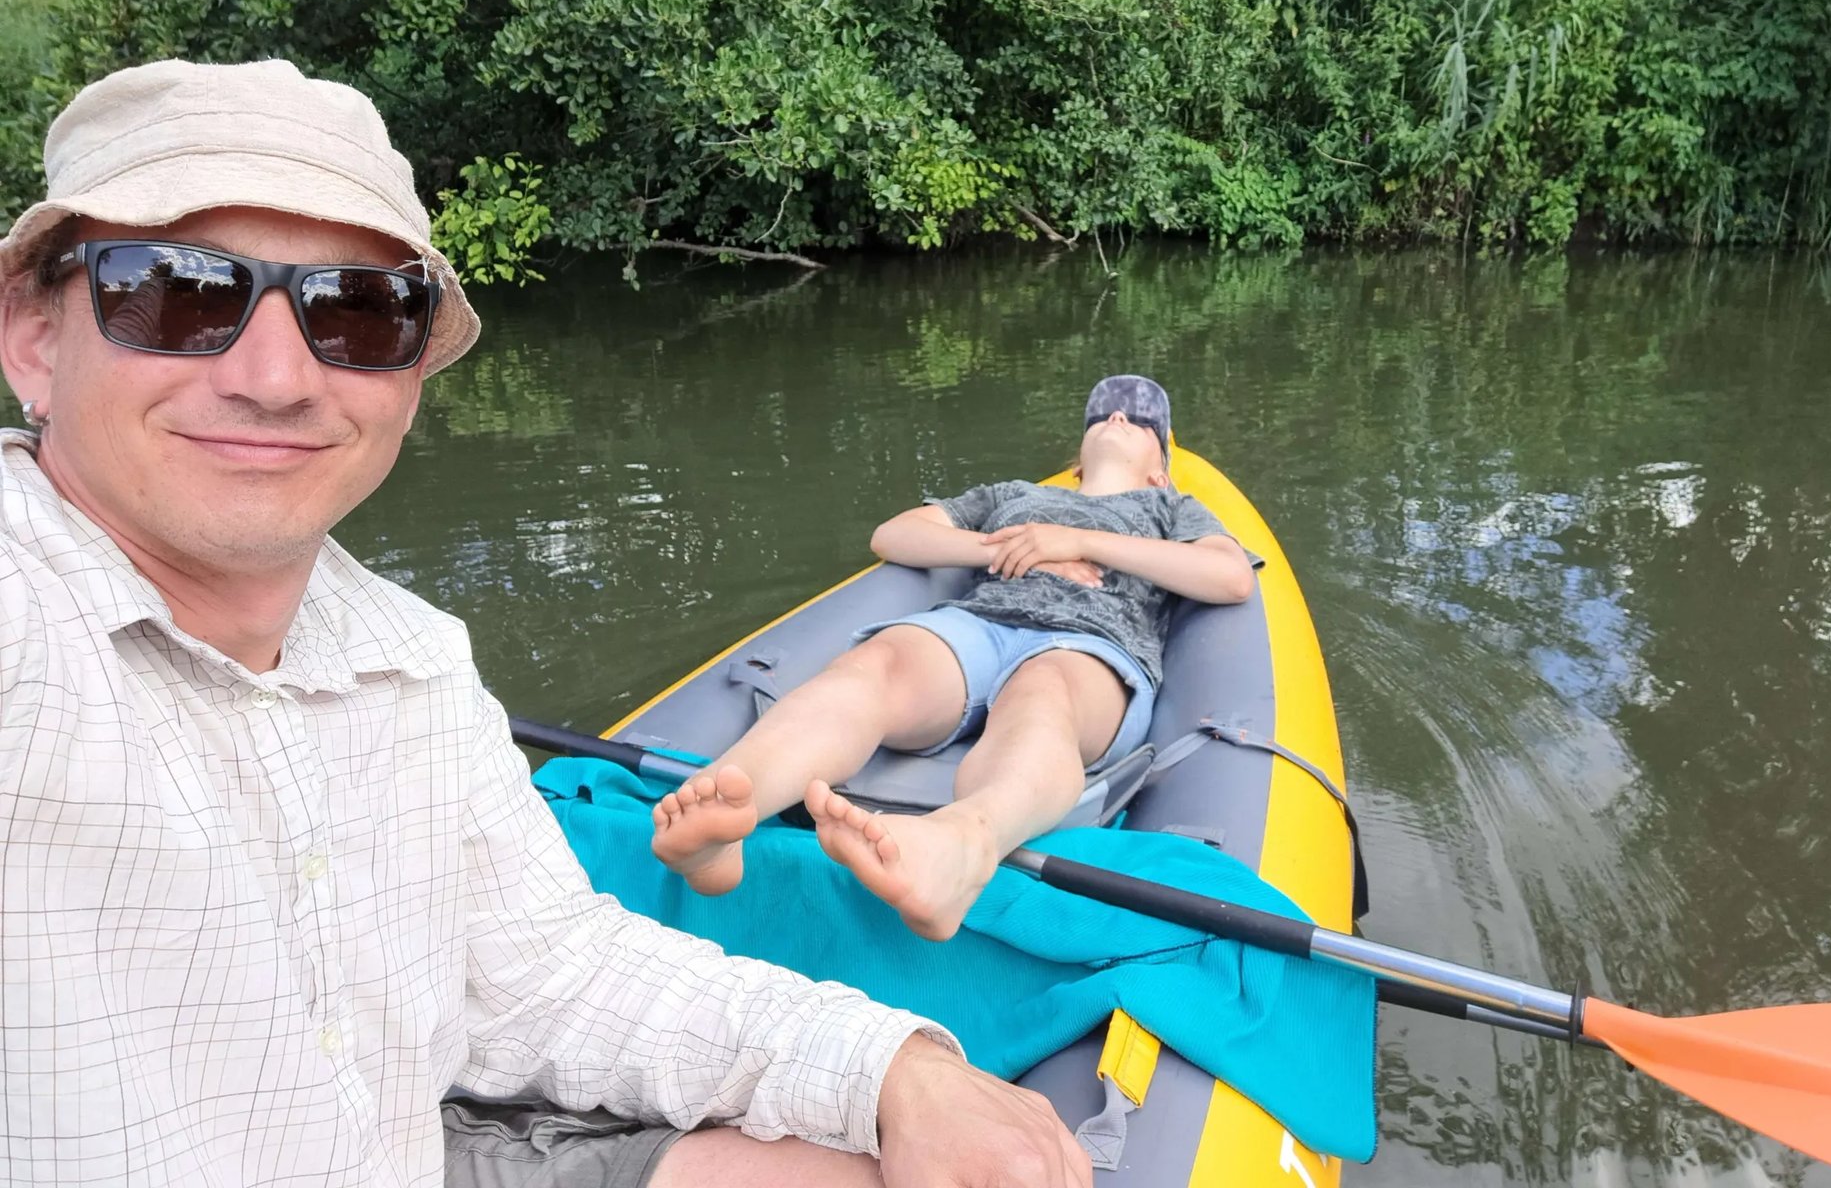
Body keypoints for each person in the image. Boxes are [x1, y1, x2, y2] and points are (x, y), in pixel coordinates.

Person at [0, 59, 1090, 1188]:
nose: (275, 377)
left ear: (410, 370)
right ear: (33, 335)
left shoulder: (414, 656)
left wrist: (888, 1068)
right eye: (179, 293)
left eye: (358, 310)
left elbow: (549, 970)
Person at [651, 376, 1256, 941]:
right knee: (877, 665)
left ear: (1160, 470)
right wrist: (1008, 549)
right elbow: (894, 535)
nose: (1117, 417)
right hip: (979, 624)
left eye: (1140, 420)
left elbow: (1229, 577)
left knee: (1043, 696)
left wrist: (1077, 541)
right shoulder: (1015, 496)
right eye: (1102, 414)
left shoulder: (1171, 510)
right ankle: (726, 814)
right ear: (1077, 459)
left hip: (1089, 644)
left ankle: (961, 848)